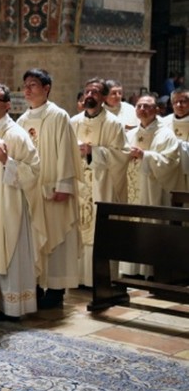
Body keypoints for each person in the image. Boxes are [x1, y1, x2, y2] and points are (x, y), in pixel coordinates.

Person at [16, 68, 82, 309]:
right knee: (33, 237)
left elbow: (66, 151)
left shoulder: (59, 116)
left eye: (33, 85)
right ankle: (34, 285)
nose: (27, 90)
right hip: (31, 191)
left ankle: (55, 289)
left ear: (46, 88)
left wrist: (64, 184)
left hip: (54, 190)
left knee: (57, 237)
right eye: (25, 85)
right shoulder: (21, 121)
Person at [0, 83, 41, 319]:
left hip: (8, 206)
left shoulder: (17, 135)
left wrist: (7, 162)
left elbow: (34, 172)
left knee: (9, 250)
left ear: (7, 105)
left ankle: (12, 306)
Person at [70, 78, 129, 288]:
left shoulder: (113, 124)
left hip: (102, 185)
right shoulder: (73, 122)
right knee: (79, 227)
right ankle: (76, 278)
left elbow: (122, 155)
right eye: (87, 91)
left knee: (99, 230)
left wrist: (92, 152)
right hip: (78, 185)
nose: (89, 95)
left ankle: (100, 279)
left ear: (103, 97)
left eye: (95, 92)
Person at [121, 94, 180, 278]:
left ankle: (151, 271)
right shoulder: (130, 134)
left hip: (152, 189)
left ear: (157, 110)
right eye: (139, 106)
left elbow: (171, 162)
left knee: (151, 226)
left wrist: (145, 156)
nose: (142, 109)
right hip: (132, 187)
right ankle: (131, 269)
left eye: (147, 106)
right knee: (132, 225)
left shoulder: (166, 134)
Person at [167, 88, 189, 192]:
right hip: (169, 171)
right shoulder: (163, 122)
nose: (179, 105)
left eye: (183, 101)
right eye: (175, 102)